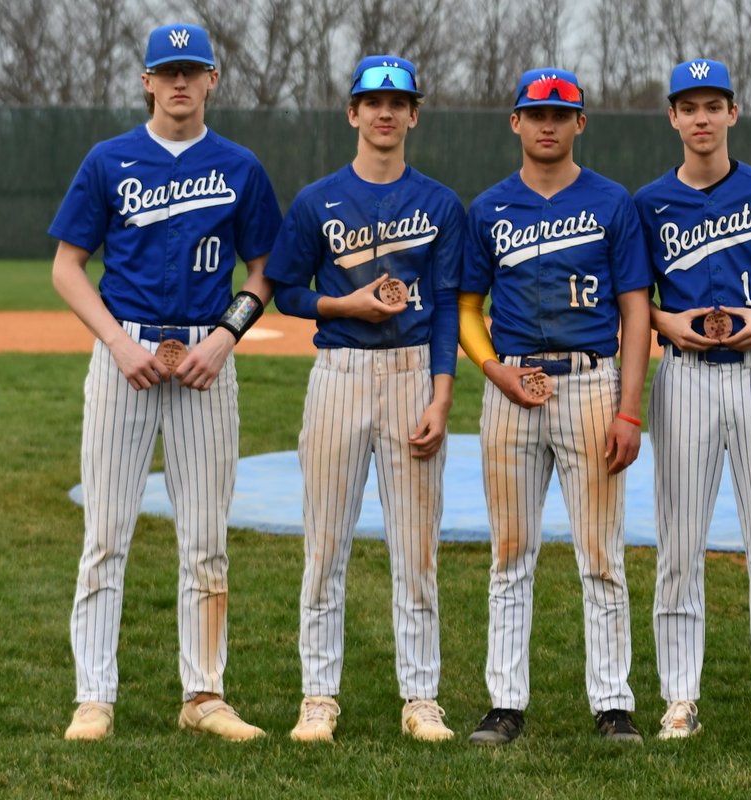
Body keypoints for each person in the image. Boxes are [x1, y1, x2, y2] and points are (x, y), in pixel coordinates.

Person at [49, 23, 282, 742]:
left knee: (206, 539)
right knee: (106, 535)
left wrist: (226, 335)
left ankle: (203, 695)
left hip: (206, 364)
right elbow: (67, 266)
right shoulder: (109, 159)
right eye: (166, 71)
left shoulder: (240, 166)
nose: (179, 83)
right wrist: (117, 343)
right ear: (146, 81)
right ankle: (94, 696)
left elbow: (265, 270)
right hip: (128, 359)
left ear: (214, 79)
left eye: (192, 70)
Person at [265, 55, 465, 744]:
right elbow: (285, 288)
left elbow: (444, 310)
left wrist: (441, 397)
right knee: (325, 548)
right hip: (340, 373)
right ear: (352, 113)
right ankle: (318, 697)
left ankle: (421, 698)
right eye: (372, 101)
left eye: (398, 101)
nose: (385, 112)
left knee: (417, 551)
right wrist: (342, 302)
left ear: (413, 114)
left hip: (412, 372)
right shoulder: (317, 200)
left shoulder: (440, 204)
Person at [633, 58, 751, 741]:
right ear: (674, 118)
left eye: (714, 104)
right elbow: (634, 300)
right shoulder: (650, 203)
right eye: (690, 106)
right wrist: (665, 321)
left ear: (732, 114)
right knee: (680, 546)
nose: (703, 117)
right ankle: (679, 698)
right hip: (684, 374)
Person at [459, 68, 652, 745]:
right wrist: (492, 371)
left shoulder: (612, 202)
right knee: (510, 554)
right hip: (512, 386)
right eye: (534, 112)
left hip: (591, 384)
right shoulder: (488, 209)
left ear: (579, 123)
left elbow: (636, 309)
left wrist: (630, 410)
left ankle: (613, 703)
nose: (547, 123)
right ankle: (505, 702)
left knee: (601, 556)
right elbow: (466, 308)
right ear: (515, 122)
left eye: (559, 113)